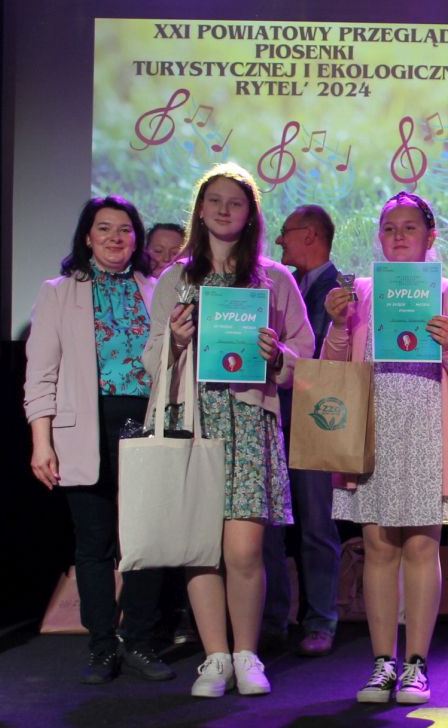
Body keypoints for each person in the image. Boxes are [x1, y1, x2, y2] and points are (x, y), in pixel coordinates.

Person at [143, 163, 314, 698]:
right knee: (201, 548)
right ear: (199, 210)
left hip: (248, 421)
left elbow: (303, 353)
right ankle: (214, 657)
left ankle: (246, 654)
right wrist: (174, 341)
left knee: (243, 552)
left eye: (235, 202)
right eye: (214, 201)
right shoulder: (176, 279)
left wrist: (278, 355)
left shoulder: (275, 279)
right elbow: (150, 360)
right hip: (195, 421)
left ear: (250, 214)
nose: (223, 210)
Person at [322, 191, 448, 704]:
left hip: (427, 430)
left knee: (420, 546)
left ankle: (416, 663)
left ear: (430, 236)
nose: (398, 236)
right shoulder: (359, 291)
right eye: (389, 227)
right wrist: (338, 324)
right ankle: (381, 663)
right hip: (374, 429)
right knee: (377, 547)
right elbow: (334, 367)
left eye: (409, 227)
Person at [24, 196, 172, 684]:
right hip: (84, 429)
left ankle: (141, 641)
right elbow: (41, 374)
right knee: (94, 544)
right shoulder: (58, 292)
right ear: (87, 237)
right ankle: (102, 646)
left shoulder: (156, 289)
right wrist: (41, 442)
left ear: (137, 238)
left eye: (125, 229)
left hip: (147, 424)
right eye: (104, 228)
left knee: (145, 542)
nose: (115, 237)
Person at [262, 204, 342, 657]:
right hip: (273, 417)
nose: (278, 240)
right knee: (268, 527)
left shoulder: (345, 290)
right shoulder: (274, 284)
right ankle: (272, 619)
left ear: (310, 234)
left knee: (316, 526)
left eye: (286, 232)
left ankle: (320, 620)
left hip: (318, 422)